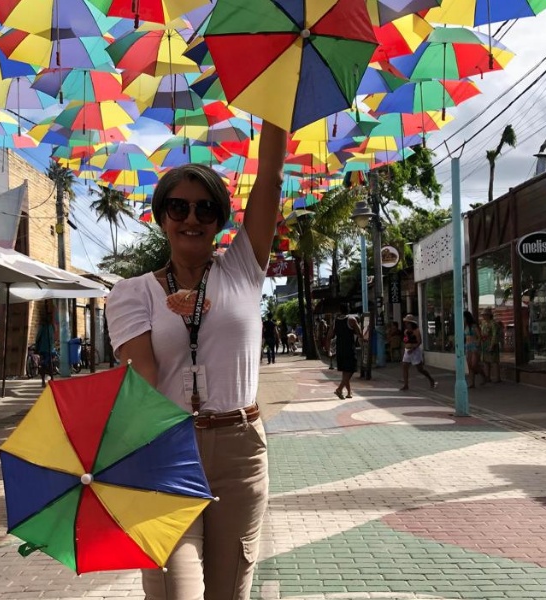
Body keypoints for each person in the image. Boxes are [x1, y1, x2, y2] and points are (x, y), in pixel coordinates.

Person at [106, 121, 286, 599]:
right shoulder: (132, 293)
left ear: (220, 219)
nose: (192, 217)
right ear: (161, 217)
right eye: (178, 207)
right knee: (175, 590)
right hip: (168, 450)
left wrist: (277, 100)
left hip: (240, 450)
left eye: (206, 208)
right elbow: (144, 377)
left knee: (229, 591)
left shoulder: (243, 268)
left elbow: (269, 180)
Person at [326, 303, 362, 399]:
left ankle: (349, 392)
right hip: (349, 348)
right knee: (351, 369)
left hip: (340, 349)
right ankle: (339, 389)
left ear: (340, 310)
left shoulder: (335, 322)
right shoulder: (352, 320)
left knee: (345, 372)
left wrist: (328, 350)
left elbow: (329, 337)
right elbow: (359, 332)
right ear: (348, 309)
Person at [400, 314, 436, 390]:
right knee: (405, 367)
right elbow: (405, 340)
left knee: (420, 369)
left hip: (414, 351)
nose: (406, 324)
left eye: (407, 323)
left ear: (411, 323)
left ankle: (431, 379)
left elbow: (419, 341)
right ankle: (406, 384)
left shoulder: (416, 331)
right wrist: (405, 347)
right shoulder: (406, 331)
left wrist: (413, 348)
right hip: (407, 350)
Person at [479, 308, 502, 383]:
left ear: (489, 315)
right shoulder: (483, 323)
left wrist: (492, 345)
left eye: (485, 315)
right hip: (485, 343)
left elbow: (495, 335)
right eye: (483, 315)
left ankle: (497, 377)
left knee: (494, 361)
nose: (483, 316)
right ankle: (487, 377)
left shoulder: (493, 323)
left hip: (492, 343)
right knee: (485, 361)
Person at [464, 310, 486, 388]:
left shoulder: (474, 326)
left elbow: (479, 336)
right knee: (470, 365)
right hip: (467, 346)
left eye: (464, 318)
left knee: (474, 364)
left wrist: (478, 343)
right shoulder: (465, 326)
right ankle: (472, 383)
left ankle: (483, 375)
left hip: (474, 345)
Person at [34, 305, 55, 387]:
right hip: (49, 349)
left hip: (44, 349)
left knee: (44, 365)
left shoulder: (43, 327)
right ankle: (50, 379)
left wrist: (36, 345)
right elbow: (52, 338)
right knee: (49, 364)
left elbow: (38, 337)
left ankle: (44, 380)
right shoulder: (50, 327)